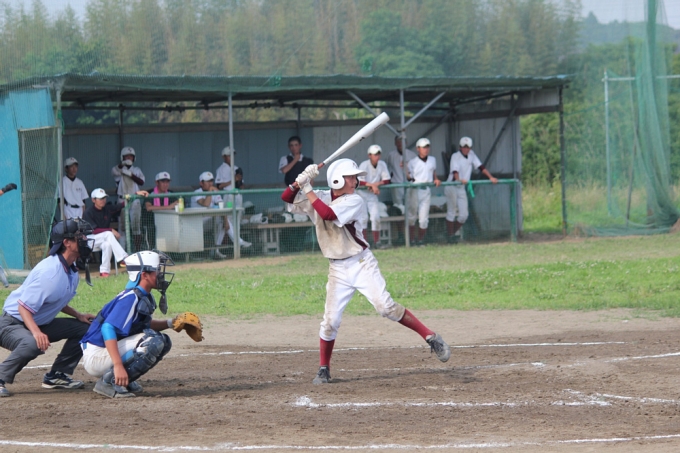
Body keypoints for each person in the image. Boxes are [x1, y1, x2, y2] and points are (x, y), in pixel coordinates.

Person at [281, 159, 450, 385]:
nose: (356, 181)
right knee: (330, 322)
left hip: (361, 264)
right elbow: (287, 198)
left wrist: (307, 187)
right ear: (337, 180)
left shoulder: (354, 200)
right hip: (337, 268)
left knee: (385, 307)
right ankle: (324, 368)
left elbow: (328, 214)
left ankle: (431, 336)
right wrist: (298, 182)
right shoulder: (319, 196)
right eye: (351, 177)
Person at [0, 219, 97, 397]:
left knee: (86, 328)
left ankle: (57, 375)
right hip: (11, 324)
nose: (85, 239)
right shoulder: (50, 273)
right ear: (67, 242)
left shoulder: (70, 270)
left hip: (36, 321)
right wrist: (37, 333)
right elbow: (23, 308)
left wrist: (78, 315)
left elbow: (55, 299)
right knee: (33, 344)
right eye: (80, 236)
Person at [80, 250, 176, 398]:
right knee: (153, 342)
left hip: (104, 352)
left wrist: (171, 323)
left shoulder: (143, 295)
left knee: (164, 341)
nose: (161, 275)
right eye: (157, 270)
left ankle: (125, 380)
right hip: (96, 356)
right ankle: (109, 381)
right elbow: (107, 328)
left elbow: (144, 325)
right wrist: (118, 365)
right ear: (144, 275)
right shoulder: (131, 297)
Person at [84, 188, 148, 277]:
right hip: (90, 240)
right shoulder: (88, 212)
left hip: (103, 239)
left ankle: (104, 271)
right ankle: (124, 257)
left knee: (107, 245)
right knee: (108, 234)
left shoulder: (107, 208)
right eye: (100, 198)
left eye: (104, 198)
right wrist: (110, 230)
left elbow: (122, 204)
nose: (103, 200)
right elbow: (93, 230)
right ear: (93, 200)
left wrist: (135, 194)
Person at [445, 137, 498, 243]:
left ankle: (450, 234)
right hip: (452, 185)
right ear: (460, 147)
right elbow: (455, 171)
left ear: (470, 148)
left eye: (468, 147)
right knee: (451, 212)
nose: (466, 149)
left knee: (464, 215)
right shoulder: (455, 156)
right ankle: (450, 237)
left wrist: (491, 177)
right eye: (464, 147)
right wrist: (459, 179)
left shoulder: (472, 154)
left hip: (461, 187)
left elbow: (481, 167)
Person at [191, 171, 250, 260]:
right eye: (207, 181)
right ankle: (238, 242)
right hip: (197, 224)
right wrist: (211, 191)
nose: (210, 184)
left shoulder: (214, 191)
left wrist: (226, 221)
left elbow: (221, 206)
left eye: (211, 181)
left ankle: (216, 251)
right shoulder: (197, 192)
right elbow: (206, 204)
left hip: (211, 222)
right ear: (201, 183)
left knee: (222, 222)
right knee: (220, 219)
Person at [406, 138, 441, 246]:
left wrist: (436, 179)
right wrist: (405, 170)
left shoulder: (432, 160)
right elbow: (409, 177)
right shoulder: (412, 162)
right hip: (415, 190)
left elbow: (433, 172)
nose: (426, 149)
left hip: (426, 190)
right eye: (423, 147)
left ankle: (420, 240)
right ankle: (411, 240)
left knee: (423, 219)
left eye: (427, 147)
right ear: (418, 149)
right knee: (412, 216)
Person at [111, 146, 145, 252]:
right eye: (126, 156)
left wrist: (130, 175)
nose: (129, 158)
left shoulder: (137, 170)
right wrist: (123, 166)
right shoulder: (119, 169)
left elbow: (141, 182)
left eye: (131, 156)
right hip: (122, 200)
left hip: (134, 199)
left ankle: (137, 251)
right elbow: (114, 171)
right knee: (122, 227)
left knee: (136, 227)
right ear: (122, 157)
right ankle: (122, 252)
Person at [358, 145, 391, 248]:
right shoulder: (364, 164)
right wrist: (372, 185)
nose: (377, 156)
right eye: (375, 154)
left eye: (378, 154)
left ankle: (377, 242)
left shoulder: (382, 164)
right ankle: (364, 244)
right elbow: (359, 181)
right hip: (361, 194)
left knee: (376, 217)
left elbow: (387, 180)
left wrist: (375, 184)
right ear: (369, 155)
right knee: (363, 218)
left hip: (372, 194)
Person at [387, 135, 417, 210]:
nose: (400, 144)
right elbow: (388, 169)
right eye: (398, 142)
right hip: (396, 184)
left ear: (406, 142)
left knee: (410, 205)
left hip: (409, 184)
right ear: (395, 143)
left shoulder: (412, 155)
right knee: (398, 206)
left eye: (402, 142)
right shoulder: (391, 155)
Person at [215, 146, 244, 221]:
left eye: (233, 155)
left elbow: (242, 185)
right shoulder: (220, 169)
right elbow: (219, 186)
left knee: (239, 214)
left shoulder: (236, 168)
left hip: (238, 194)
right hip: (229, 195)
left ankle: (236, 228)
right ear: (224, 157)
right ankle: (228, 228)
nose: (231, 157)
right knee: (229, 214)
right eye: (229, 155)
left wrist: (240, 183)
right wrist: (233, 180)